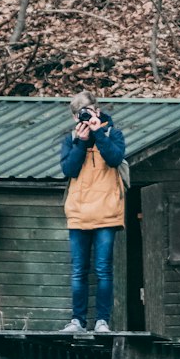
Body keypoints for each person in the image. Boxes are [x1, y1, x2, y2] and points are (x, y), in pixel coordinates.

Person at [59, 92, 126, 334]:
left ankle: (102, 321)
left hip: (107, 213)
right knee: (79, 271)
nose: (85, 117)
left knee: (103, 269)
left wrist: (98, 134)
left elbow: (115, 158)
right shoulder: (72, 139)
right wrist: (80, 142)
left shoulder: (112, 134)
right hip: (79, 213)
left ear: (96, 109)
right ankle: (77, 320)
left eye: (87, 110)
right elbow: (69, 169)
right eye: (80, 114)